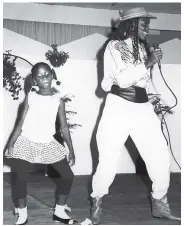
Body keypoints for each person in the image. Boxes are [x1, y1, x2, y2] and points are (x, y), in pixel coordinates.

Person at [83, 7, 181, 225]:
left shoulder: (145, 49)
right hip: (118, 107)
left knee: (160, 158)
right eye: (143, 24)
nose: (148, 28)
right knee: (107, 160)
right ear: (130, 25)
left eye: (147, 23)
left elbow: (145, 82)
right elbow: (122, 79)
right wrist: (147, 63)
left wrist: (155, 98)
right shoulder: (113, 47)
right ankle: (96, 205)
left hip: (142, 108)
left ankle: (160, 204)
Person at [5, 62, 78, 225]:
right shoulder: (31, 97)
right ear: (34, 79)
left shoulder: (58, 99)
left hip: (47, 143)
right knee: (20, 177)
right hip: (26, 142)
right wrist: (11, 144)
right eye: (40, 75)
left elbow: (64, 127)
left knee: (68, 176)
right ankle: (22, 212)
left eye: (47, 74)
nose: (44, 77)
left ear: (52, 75)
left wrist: (71, 150)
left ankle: (59, 211)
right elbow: (20, 122)